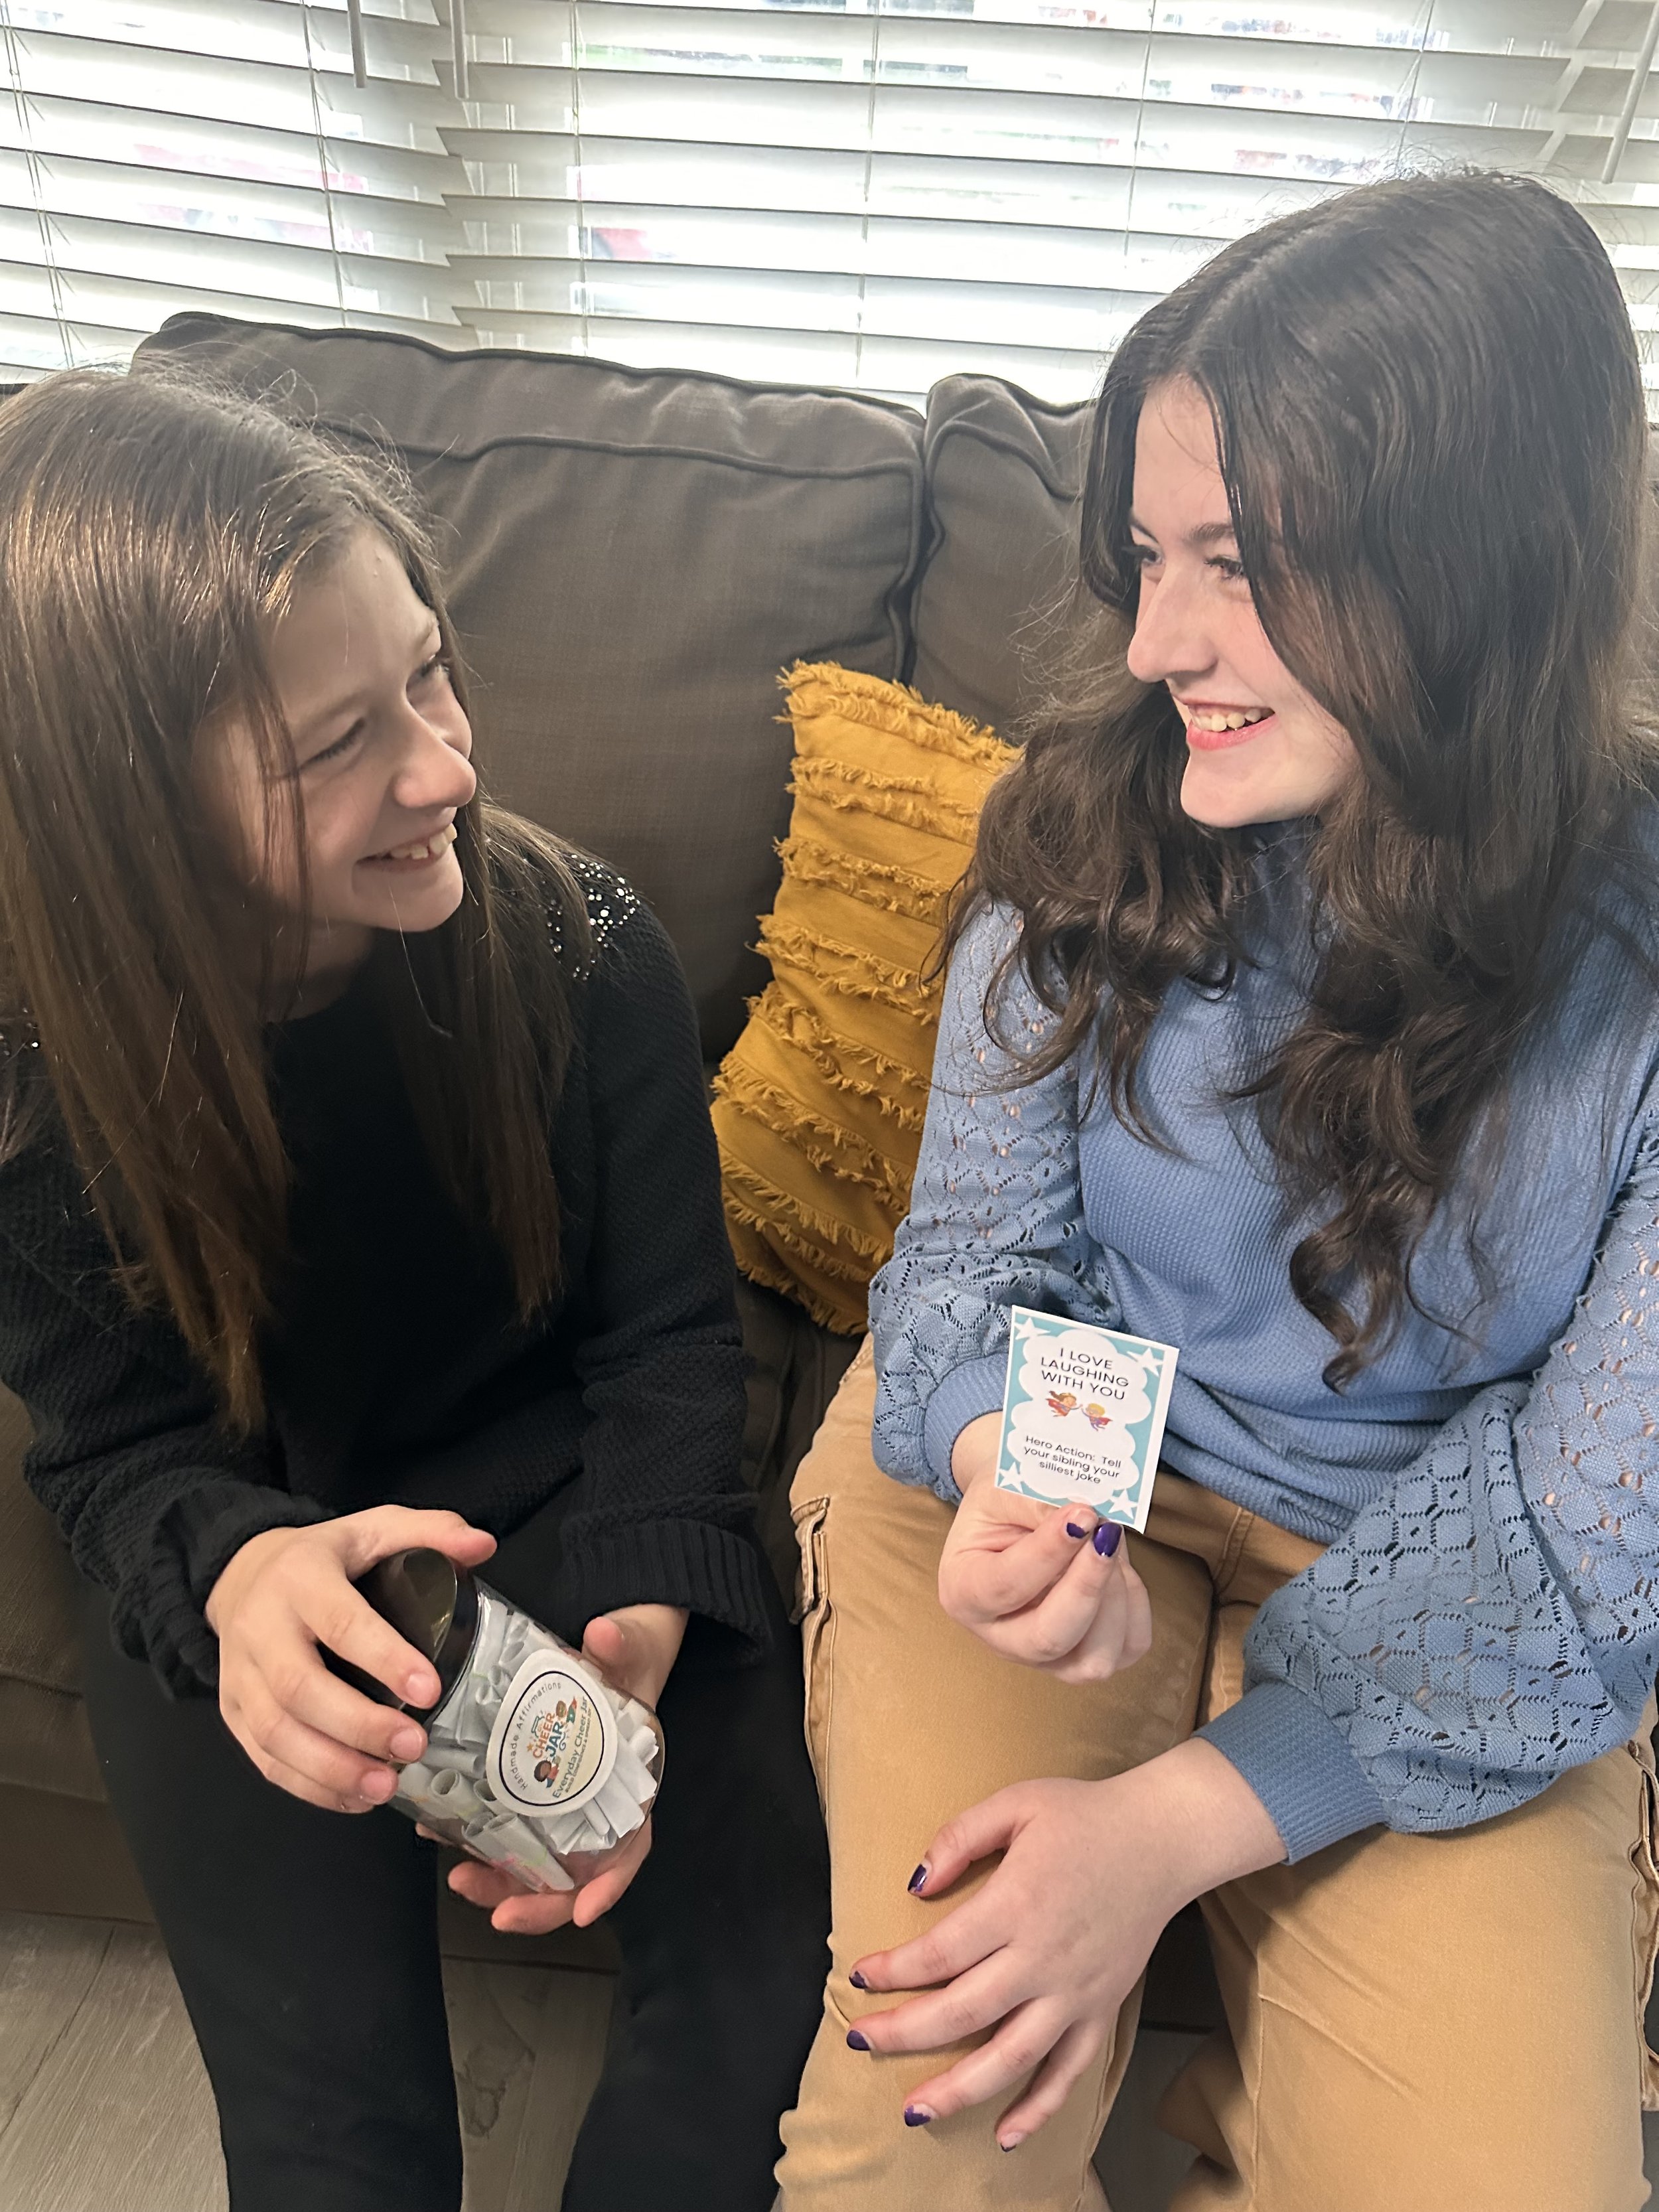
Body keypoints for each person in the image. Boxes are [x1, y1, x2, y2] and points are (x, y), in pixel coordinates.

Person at [774, 171, 1659, 2212]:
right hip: (1040, 1489)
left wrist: (1172, 1825)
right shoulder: (1087, 821)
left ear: (1475, 573)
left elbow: (1584, 1552)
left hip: (1438, 1578)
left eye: (1241, 568)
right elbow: (976, 1257)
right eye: (1148, 559)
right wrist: (1010, 1467)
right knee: (926, 2130)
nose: (1161, 640)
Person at [0, 370, 828, 2212]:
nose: (448, 765)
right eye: (339, 745)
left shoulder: (581, 949)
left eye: (433, 675)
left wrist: (647, 1590)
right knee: (331, 2143)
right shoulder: (36, 1079)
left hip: (566, 1492)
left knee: (760, 2013)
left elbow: (669, 1342)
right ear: (122, 811)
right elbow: (112, 1446)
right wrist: (231, 1576)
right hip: (259, 1545)